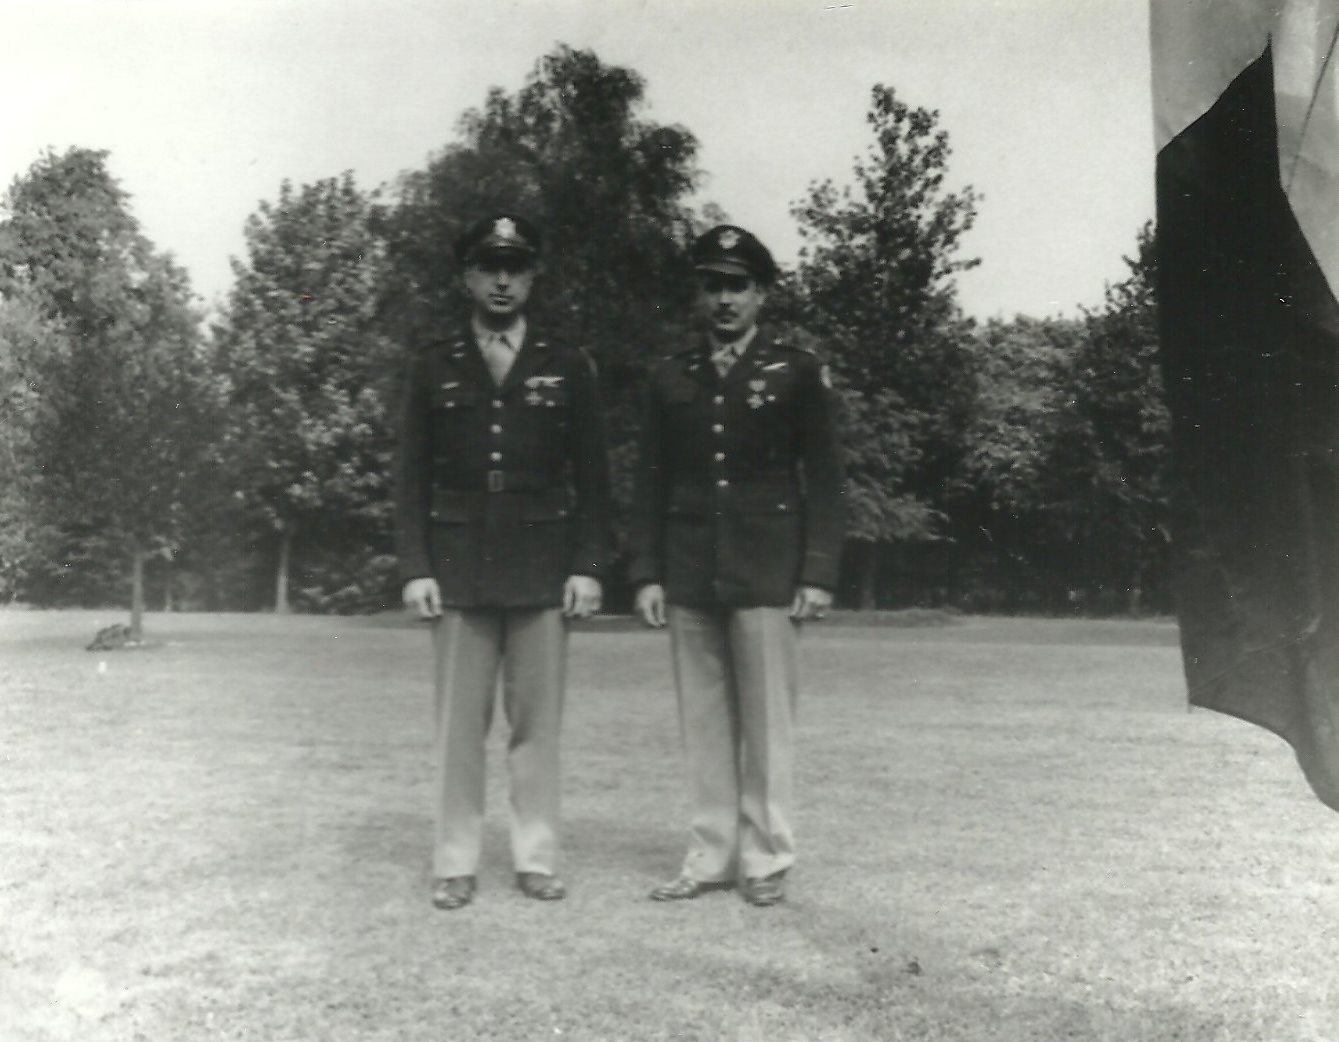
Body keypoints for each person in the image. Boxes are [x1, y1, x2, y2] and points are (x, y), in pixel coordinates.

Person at [395, 212, 610, 910]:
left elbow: (594, 476)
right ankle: (454, 861)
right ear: (467, 276)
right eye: (489, 267)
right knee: (459, 730)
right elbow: (409, 477)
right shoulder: (433, 364)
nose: (501, 281)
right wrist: (415, 566)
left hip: (542, 565)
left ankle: (535, 856)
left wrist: (587, 566)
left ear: (532, 277)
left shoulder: (567, 364)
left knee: (537, 727)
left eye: (514, 268)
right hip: (457, 565)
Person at [628, 224, 845, 907]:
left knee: (768, 726)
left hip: (767, 569)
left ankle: (766, 857)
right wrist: (646, 572)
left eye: (738, 286)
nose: (724, 299)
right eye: (712, 286)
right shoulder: (671, 376)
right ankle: (710, 854)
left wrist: (817, 572)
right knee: (704, 723)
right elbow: (650, 480)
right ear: (699, 294)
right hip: (690, 568)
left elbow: (826, 479)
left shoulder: (796, 372)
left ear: (762, 294)